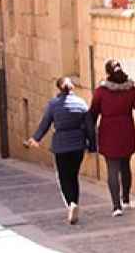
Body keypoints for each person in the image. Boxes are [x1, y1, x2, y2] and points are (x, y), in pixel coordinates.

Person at [89, 59, 135, 217]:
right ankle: (126, 199)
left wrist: (88, 134)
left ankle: (116, 206)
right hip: (126, 131)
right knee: (125, 165)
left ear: (107, 73)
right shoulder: (130, 90)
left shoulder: (101, 92)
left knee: (112, 168)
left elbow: (92, 114)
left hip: (108, 133)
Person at [25, 78, 93, 226]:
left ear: (58, 89)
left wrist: (35, 139)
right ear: (72, 88)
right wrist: (92, 145)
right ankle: (74, 203)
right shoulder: (81, 103)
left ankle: (70, 204)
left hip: (61, 146)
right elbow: (89, 126)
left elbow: (45, 123)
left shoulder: (53, 105)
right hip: (77, 145)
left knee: (63, 177)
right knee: (73, 176)